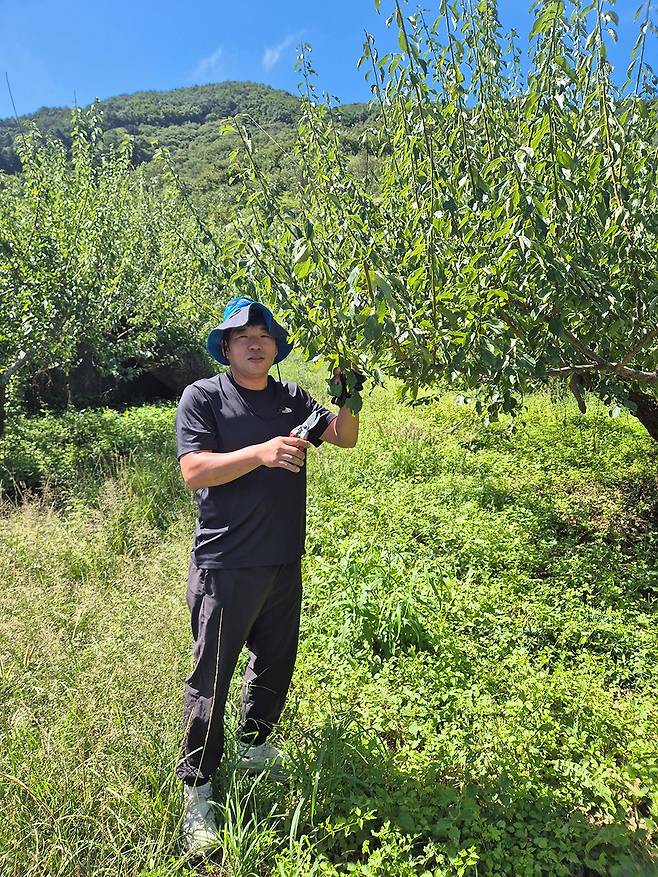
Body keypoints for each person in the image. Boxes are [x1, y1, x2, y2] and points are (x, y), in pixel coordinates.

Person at [174, 296, 361, 852]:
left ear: (275, 347)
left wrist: (350, 395)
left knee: (276, 662)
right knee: (212, 678)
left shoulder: (291, 398)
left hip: (283, 558)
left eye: (265, 335)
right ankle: (198, 791)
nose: (256, 343)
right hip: (226, 563)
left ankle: (256, 748)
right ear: (226, 348)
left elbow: (345, 436)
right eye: (243, 336)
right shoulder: (203, 396)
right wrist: (260, 452)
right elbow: (192, 471)